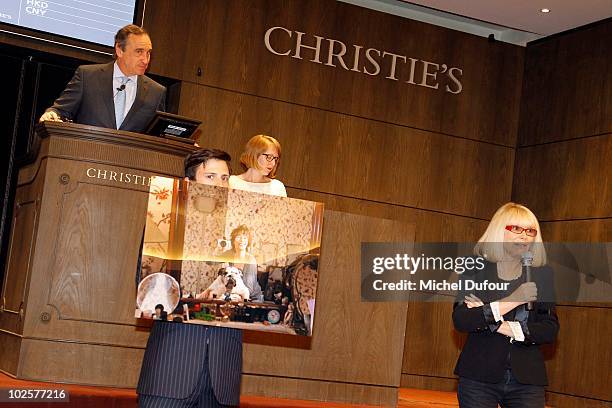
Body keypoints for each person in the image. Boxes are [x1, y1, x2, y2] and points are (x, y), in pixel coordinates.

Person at [137, 149, 241, 407]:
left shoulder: (240, 233)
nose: (219, 184)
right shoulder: (163, 225)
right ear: (189, 182)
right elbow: (146, 286)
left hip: (222, 375)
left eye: (225, 178)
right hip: (170, 368)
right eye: (211, 176)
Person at [453, 202, 559, 408]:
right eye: (516, 229)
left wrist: (492, 320)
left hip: (527, 381)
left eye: (530, 231)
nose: (524, 236)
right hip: (479, 377)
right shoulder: (475, 268)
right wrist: (515, 299)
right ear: (498, 231)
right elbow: (462, 319)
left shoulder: (543, 275)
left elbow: (549, 330)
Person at [39, 24, 165, 133]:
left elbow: (158, 134)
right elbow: (60, 110)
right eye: (139, 52)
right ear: (120, 50)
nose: (145, 59)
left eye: (148, 53)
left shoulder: (156, 92)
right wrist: (52, 114)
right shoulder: (87, 77)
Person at [220, 225, 263, 301]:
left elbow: (249, 288)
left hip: (252, 298)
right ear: (233, 241)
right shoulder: (230, 257)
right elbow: (224, 281)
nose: (242, 240)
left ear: (248, 242)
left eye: (245, 238)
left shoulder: (250, 260)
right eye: (238, 237)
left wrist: (235, 296)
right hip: (236, 295)